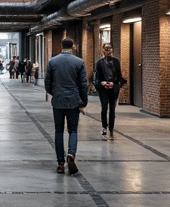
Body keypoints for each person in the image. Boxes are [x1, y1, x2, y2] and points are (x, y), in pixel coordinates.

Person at [45, 37, 88, 175]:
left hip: (58, 101)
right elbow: (83, 85)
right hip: (73, 101)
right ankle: (71, 154)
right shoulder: (79, 62)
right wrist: (83, 102)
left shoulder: (52, 61)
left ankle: (60, 163)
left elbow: (47, 83)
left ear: (61, 46)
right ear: (73, 46)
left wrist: (55, 92)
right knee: (73, 130)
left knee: (58, 131)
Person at [93, 43, 126, 140]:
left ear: (112, 50)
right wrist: (102, 83)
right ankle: (104, 127)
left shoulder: (116, 61)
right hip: (103, 89)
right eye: (106, 49)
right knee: (104, 107)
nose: (108, 50)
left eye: (109, 48)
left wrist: (114, 83)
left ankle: (111, 128)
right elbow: (96, 77)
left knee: (112, 108)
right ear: (102, 50)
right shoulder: (99, 62)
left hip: (114, 88)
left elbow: (119, 76)